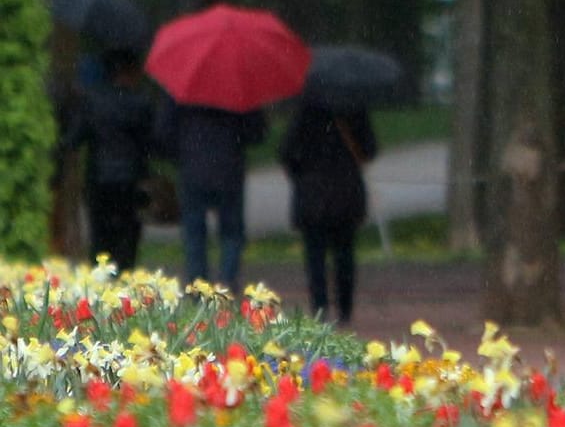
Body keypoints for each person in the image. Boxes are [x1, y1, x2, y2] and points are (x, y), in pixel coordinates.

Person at [152, 96, 268, 293]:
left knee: (194, 233)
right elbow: (256, 132)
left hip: (193, 169)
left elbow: (164, 133)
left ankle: (198, 289)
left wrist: (179, 156)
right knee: (231, 232)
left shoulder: (183, 93)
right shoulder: (237, 91)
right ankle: (226, 285)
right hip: (229, 169)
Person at [279, 102, 378, 325]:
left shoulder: (305, 113)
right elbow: (369, 149)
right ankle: (345, 309)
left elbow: (287, 153)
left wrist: (301, 174)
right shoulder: (354, 110)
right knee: (345, 255)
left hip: (312, 196)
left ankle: (320, 308)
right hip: (346, 194)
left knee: (315, 257)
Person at [61, 49, 154, 271]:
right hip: (131, 179)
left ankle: (100, 280)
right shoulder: (140, 103)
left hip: (99, 178)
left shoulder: (92, 101)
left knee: (100, 235)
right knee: (128, 234)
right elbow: (151, 143)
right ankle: (124, 277)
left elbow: (73, 139)